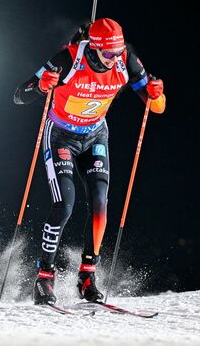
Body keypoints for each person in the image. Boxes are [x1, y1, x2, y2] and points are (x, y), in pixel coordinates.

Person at [13, 18, 166, 305]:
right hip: (61, 137)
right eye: (108, 54)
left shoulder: (126, 62)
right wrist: (43, 86)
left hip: (95, 136)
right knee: (64, 205)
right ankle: (44, 278)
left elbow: (156, 107)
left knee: (100, 205)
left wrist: (157, 94)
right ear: (94, 49)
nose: (113, 60)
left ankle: (87, 277)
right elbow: (19, 95)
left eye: (117, 53)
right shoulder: (67, 59)